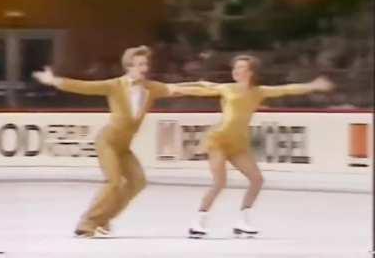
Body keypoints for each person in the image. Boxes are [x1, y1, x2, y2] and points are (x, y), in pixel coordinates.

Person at [32, 45, 208, 238]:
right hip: (107, 142)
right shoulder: (115, 85)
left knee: (138, 181)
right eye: (139, 64)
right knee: (114, 182)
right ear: (129, 66)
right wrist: (54, 81)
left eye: (145, 63)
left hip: (123, 147)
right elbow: (84, 87)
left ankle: (104, 219)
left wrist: (206, 87)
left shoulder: (151, 88)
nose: (144, 67)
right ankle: (87, 223)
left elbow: (176, 89)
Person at [181, 54, 334, 238]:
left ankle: (243, 221)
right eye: (235, 68)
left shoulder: (258, 92)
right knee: (220, 182)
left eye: (241, 68)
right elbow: (201, 88)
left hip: (238, 144)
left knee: (257, 179)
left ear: (251, 72)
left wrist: (312, 86)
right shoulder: (227, 88)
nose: (236, 71)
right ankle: (198, 222)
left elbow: (286, 89)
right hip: (218, 140)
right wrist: (172, 88)